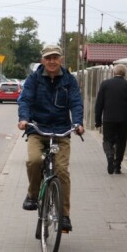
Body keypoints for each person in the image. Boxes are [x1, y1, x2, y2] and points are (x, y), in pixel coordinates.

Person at [17, 44, 84, 232]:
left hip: (61, 130)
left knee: (62, 171)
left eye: (55, 57)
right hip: (38, 129)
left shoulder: (69, 80)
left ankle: (64, 216)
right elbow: (25, 100)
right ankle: (32, 195)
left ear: (61, 59)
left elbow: (76, 102)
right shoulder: (34, 79)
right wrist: (23, 119)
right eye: (48, 58)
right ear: (42, 61)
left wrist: (77, 123)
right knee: (34, 160)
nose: (52, 61)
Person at [94, 64, 127, 174]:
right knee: (121, 142)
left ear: (113, 73)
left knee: (107, 140)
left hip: (108, 119)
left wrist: (97, 121)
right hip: (124, 120)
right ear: (125, 74)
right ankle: (117, 166)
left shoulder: (105, 84)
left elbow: (99, 104)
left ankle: (110, 155)